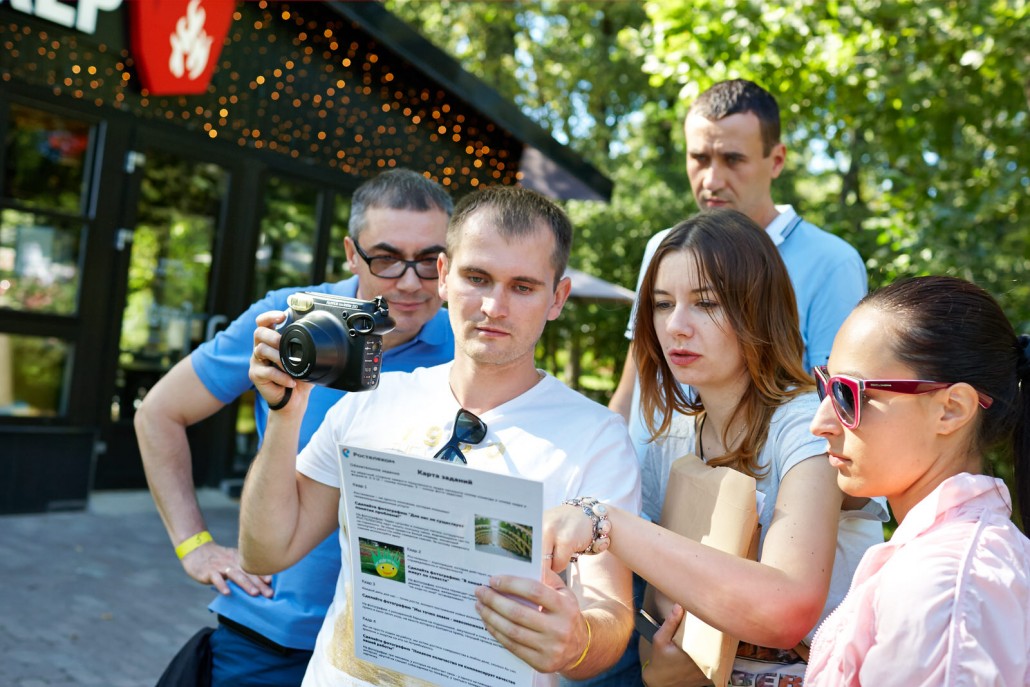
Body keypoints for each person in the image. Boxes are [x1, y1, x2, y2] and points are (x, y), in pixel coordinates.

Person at [239, 185, 641, 686]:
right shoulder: (371, 397)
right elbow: (265, 553)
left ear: (556, 298)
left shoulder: (596, 436)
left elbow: (610, 616)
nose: (494, 306)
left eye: (522, 286)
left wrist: (578, 640)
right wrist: (284, 415)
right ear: (445, 275)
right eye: (478, 277)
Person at [136, 168, 456, 686]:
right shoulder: (289, 320)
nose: (411, 281)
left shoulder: (468, 346)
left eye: (428, 261)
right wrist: (193, 544)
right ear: (352, 254)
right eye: (387, 258)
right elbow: (158, 413)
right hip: (272, 633)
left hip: (393, 652)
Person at [545, 210, 886, 686]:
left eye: (706, 303)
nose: (676, 327)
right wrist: (660, 662)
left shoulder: (809, 426)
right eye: (663, 305)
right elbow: (653, 612)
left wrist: (603, 521)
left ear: (758, 308)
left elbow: (786, 608)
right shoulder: (670, 439)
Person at [608, 78, 867, 463]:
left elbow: (837, 409)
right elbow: (638, 374)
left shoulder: (831, 262)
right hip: (650, 478)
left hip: (757, 495)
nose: (712, 180)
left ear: (776, 160)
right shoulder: (664, 247)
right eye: (699, 158)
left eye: (732, 159)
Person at [804, 275, 1030, 685]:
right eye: (826, 387)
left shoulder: (946, 588)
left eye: (850, 394)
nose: (820, 424)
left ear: (951, 409)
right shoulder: (940, 565)